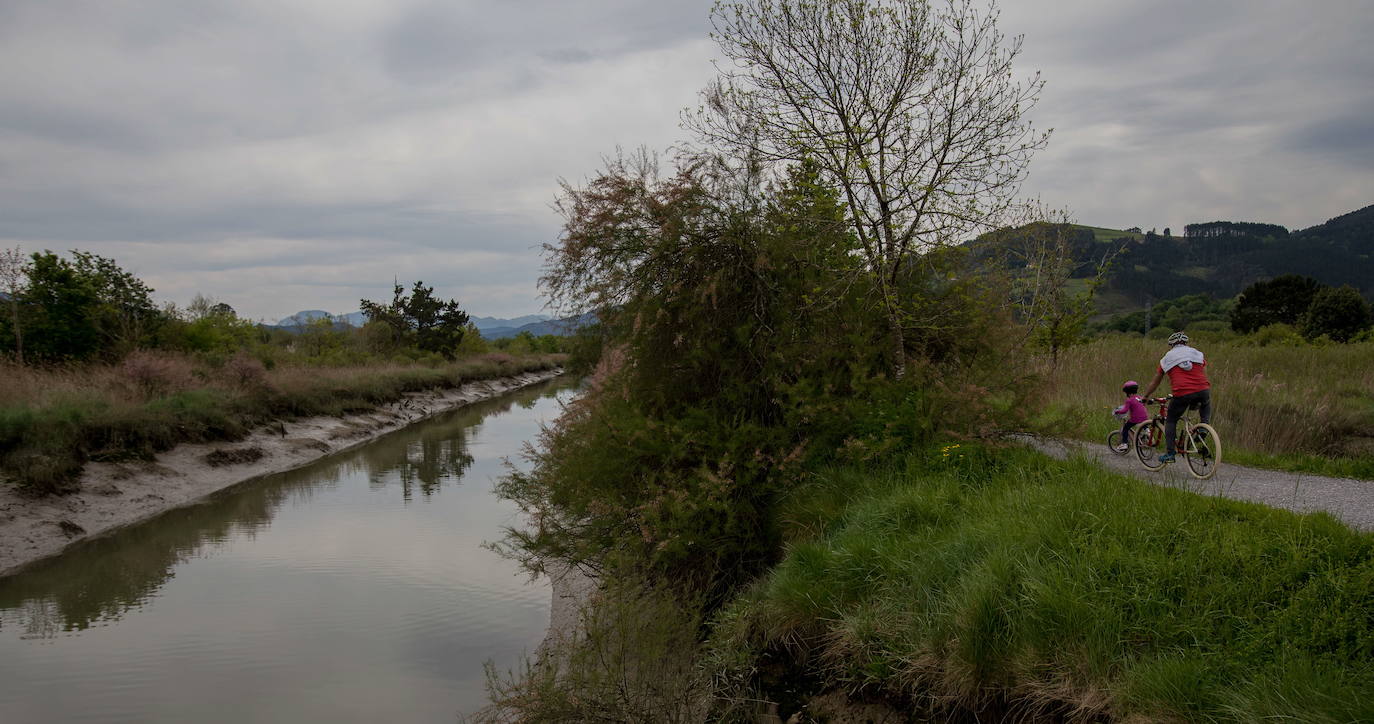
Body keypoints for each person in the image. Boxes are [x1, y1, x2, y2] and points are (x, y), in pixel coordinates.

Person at [1140, 331, 1212, 463]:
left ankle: (1170, 453)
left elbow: (1156, 381)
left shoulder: (1167, 358)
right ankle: (1203, 427)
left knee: (1171, 420)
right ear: (1185, 343)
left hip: (1182, 392)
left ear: (1171, 345)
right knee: (1205, 403)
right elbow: (1203, 373)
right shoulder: (1197, 353)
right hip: (1203, 389)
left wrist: (1146, 396)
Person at [1113, 380, 1149, 452]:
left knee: (1125, 428)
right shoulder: (1139, 397)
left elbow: (1124, 410)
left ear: (1127, 392)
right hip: (1145, 417)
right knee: (1144, 426)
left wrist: (1117, 411)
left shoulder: (1129, 400)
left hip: (1135, 419)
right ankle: (1146, 433)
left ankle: (1124, 444)